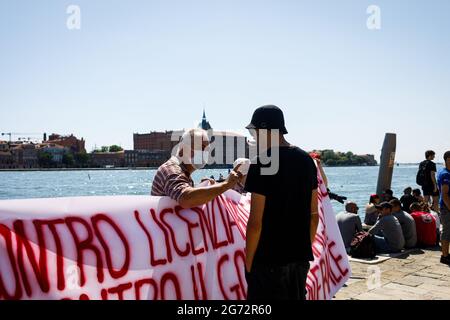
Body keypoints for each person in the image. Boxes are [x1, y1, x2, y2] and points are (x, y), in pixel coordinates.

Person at [243, 105, 319, 300]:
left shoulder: (261, 163)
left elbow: (255, 223)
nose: (254, 136)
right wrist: (302, 248)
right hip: (299, 259)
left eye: (255, 131)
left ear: (265, 130)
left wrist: (248, 265)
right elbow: (314, 216)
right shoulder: (307, 161)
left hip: (267, 262)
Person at [151, 128, 242, 208]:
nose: (204, 152)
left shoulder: (182, 172)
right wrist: (225, 185)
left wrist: (203, 187)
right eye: (201, 147)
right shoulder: (171, 169)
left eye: (207, 149)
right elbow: (186, 199)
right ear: (183, 149)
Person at [437, 151, 450, 265]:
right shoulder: (446, 174)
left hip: (446, 207)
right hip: (447, 208)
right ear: (447, 160)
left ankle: (446, 254)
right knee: (446, 232)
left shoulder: (445, 172)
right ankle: (444, 256)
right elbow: (445, 194)